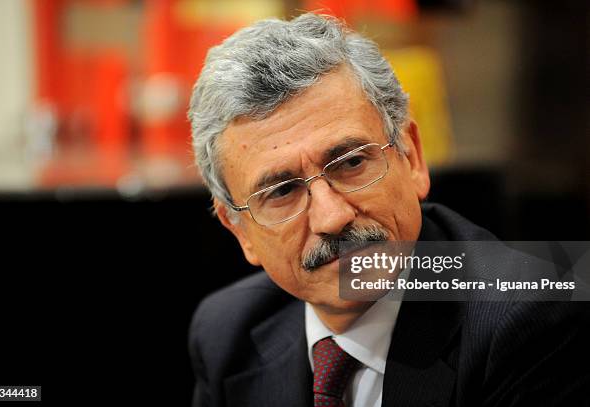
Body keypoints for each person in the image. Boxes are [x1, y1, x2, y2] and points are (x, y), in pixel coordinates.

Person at [187, 13, 590, 407]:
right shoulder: (227, 331)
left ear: (411, 157)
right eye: (283, 191)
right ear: (239, 229)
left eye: (351, 163)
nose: (332, 217)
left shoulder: (534, 317)